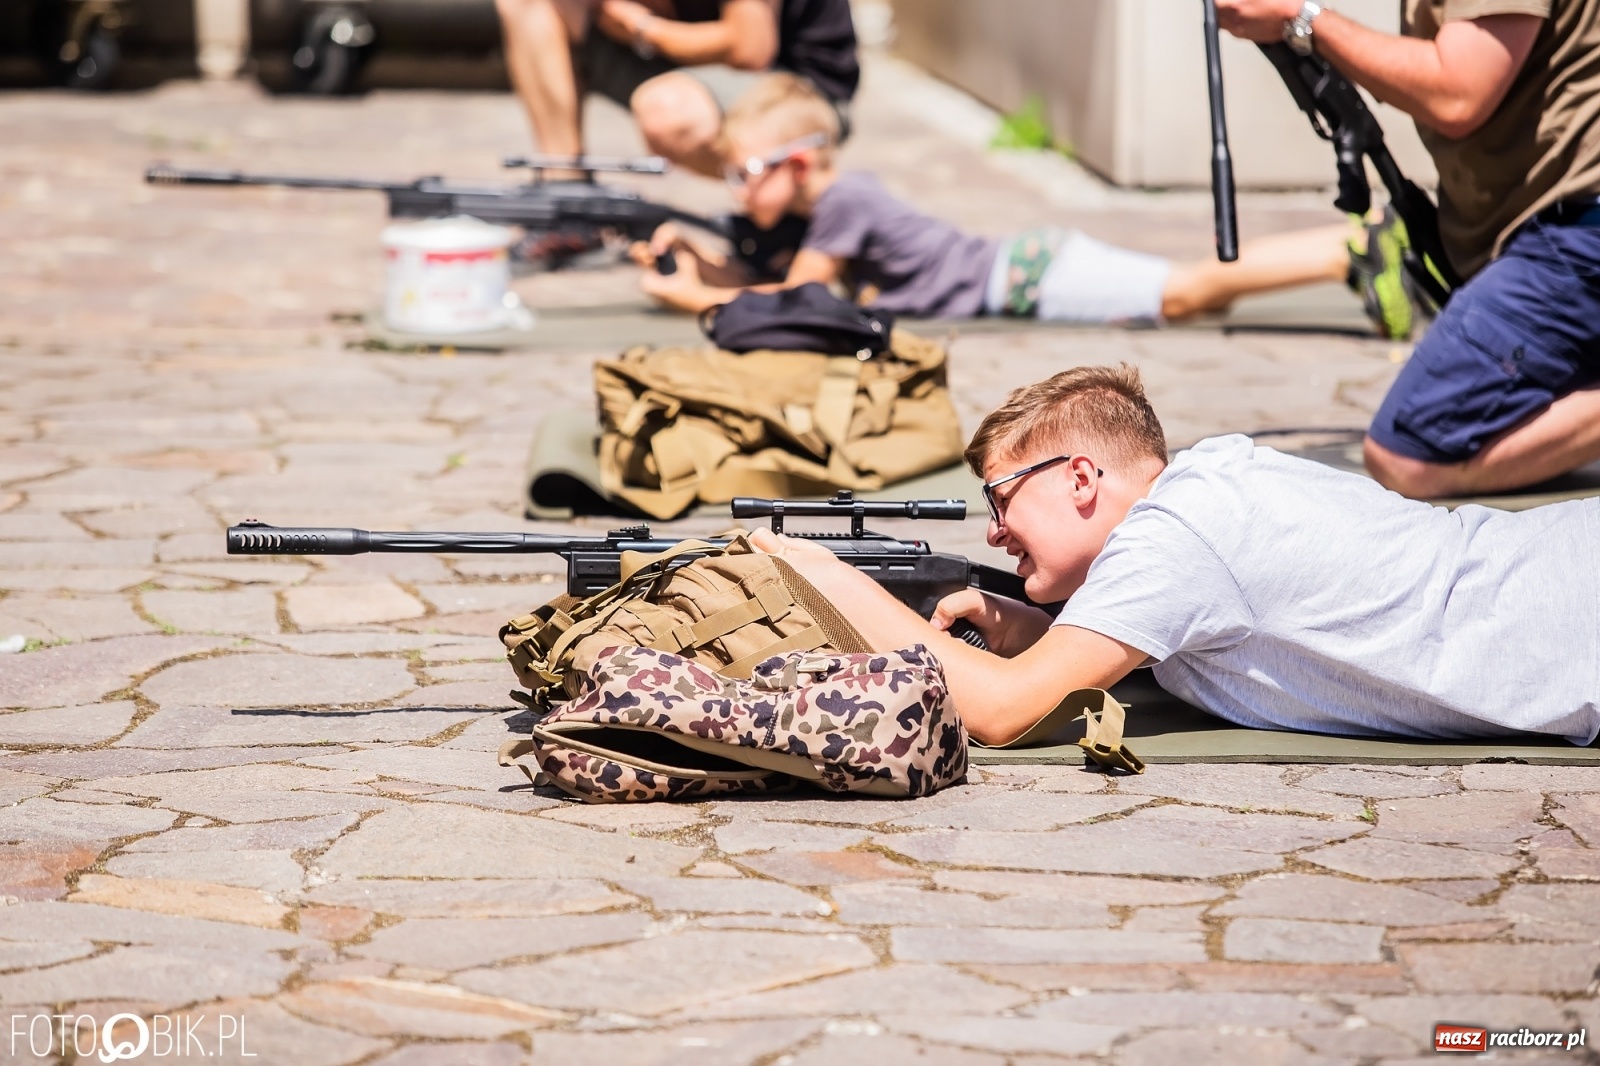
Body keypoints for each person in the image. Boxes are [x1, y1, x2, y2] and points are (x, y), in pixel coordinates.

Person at [751, 363, 1599, 748]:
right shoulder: (1211, 481)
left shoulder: (1180, 534)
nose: (994, 533)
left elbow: (1002, 713)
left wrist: (823, 574)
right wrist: (1043, 628)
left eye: (1003, 498)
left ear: (1080, 475)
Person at [634, 74, 1423, 337]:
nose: (736, 191)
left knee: (1182, 292)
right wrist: (705, 261)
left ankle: (1347, 248)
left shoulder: (841, 203)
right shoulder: (830, 203)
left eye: (744, 174)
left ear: (797, 163)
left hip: (1024, 276)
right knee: (1179, 292)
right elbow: (778, 284)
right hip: (1025, 267)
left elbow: (796, 299)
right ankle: (1348, 250)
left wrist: (700, 295)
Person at [1216, 0, 1600, 498]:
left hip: (1576, 228)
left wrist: (1300, 17)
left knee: (1411, 453)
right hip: (1536, 228)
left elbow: (1458, 94)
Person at [493, 0, 858, 178]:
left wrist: (644, 29)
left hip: (799, 88)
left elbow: (751, 48)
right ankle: (565, 186)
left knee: (668, 111)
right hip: (687, 57)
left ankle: (791, 209)